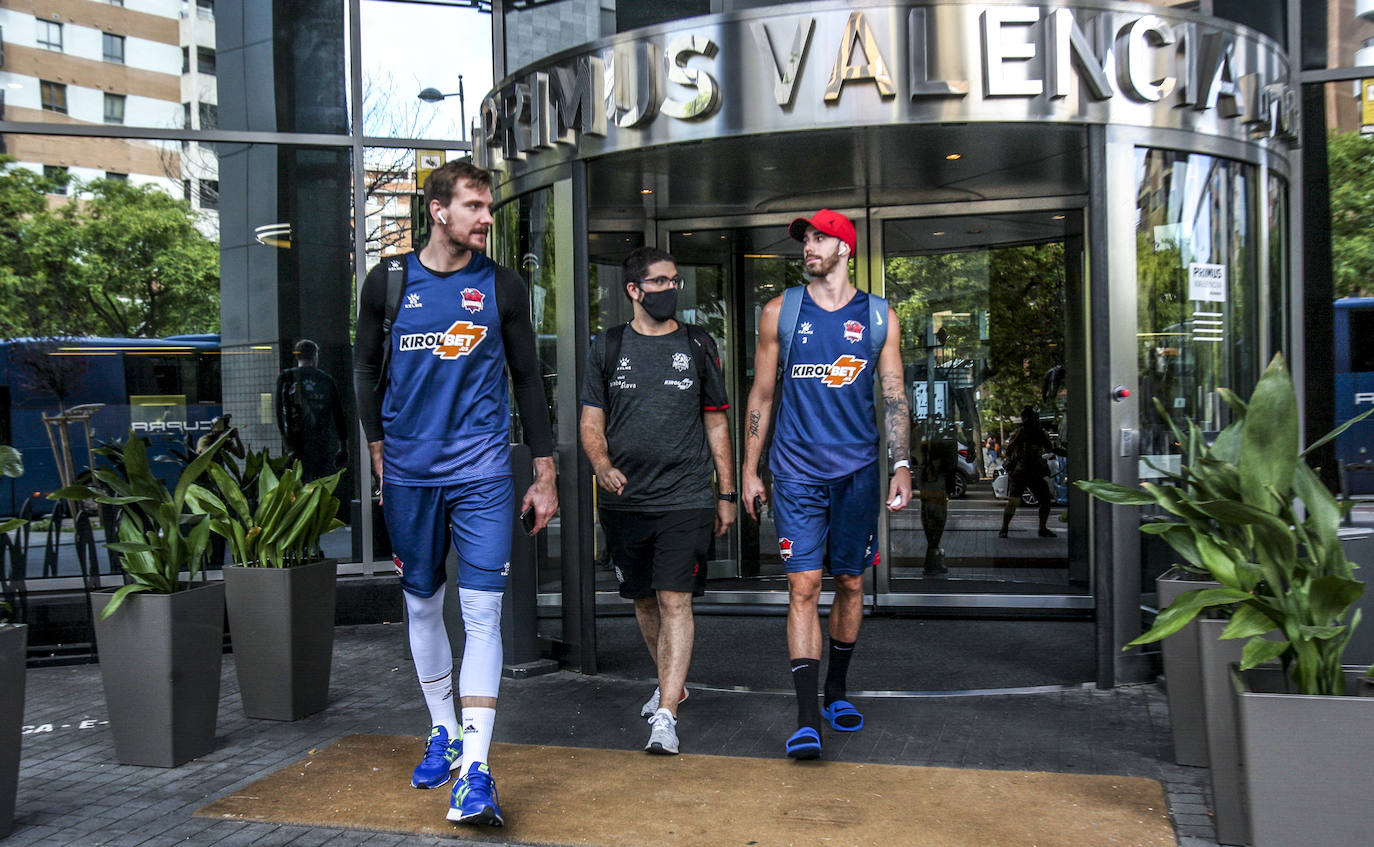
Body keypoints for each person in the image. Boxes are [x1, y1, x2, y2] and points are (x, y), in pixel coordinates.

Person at [352, 160, 557, 828]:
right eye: (474, 205)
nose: (487, 217)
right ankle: (441, 730)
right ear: (438, 211)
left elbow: (529, 382)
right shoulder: (388, 283)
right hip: (409, 474)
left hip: (482, 472)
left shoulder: (502, 287)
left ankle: (475, 769)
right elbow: (362, 367)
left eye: (488, 206)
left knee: (481, 614)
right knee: (421, 605)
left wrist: (546, 470)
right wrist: (376, 443)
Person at [740, 209, 911, 760]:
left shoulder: (880, 317)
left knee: (852, 584)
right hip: (795, 472)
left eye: (820, 238)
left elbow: (893, 394)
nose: (809, 247)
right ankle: (806, 716)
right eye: (806, 239)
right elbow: (762, 397)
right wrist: (749, 468)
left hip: (859, 472)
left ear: (846, 248)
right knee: (803, 588)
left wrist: (901, 463)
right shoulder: (780, 312)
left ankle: (837, 688)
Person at [579, 246, 736, 756]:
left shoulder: (696, 344)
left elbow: (716, 419)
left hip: (686, 495)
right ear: (634, 290)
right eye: (661, 282)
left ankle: (666, 713)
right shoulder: (606, 347)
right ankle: (673, 683)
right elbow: (590, 421)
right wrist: (602, 467)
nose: (671, 290)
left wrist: (726, 492)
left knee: (675, 599)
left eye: (675, 282)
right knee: (645, 600)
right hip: (626, 503)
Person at [275, 339, 348, 481]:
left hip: (294, 440)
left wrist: (285, 442)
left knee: (296, 481)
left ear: (297, 357)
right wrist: (343, 445)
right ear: (315, 356)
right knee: (318, 480)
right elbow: (338, 415)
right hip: (320, 442)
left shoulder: (286, 377)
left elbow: (279, 411)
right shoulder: (326, 380)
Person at [998, 405, 1055, 539]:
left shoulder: (1037, 433)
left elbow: (1048, 447)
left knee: (1045, 500)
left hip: (1030, 471)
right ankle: (1005, 528)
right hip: (1021, 471)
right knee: (1014, 501)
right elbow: (1009, 450)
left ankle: (1041, 528)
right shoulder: (1021, 433)